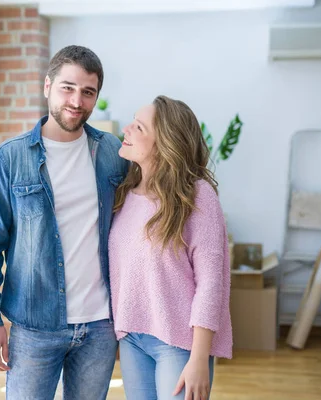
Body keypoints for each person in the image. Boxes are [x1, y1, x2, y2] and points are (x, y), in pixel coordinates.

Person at [0, 45, 129, 400]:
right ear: (47, 86)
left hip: (100, 324)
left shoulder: (112, 154)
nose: (76, 101)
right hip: (34, 325)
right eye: (67, 88)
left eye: (88, 92)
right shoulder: (9, 158)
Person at [108, 95, 233, 400]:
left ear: (164, 144)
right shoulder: (126, 193)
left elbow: (211, 284)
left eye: (138, 127)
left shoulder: (198, 196)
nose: (126, 128)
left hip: (178, 344)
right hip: (132, 338)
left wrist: (199, 357)